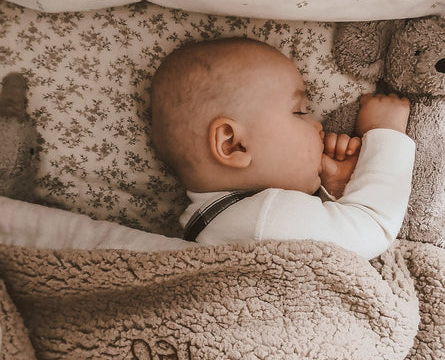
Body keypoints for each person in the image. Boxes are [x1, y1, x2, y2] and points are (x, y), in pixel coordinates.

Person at [150, 37, 415, 260]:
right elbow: (371, 229)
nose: (317, 126)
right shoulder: (262, 218)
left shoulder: (221, 222)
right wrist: (385, 135)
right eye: (299, 112)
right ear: (234, 144)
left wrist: (336, 189)